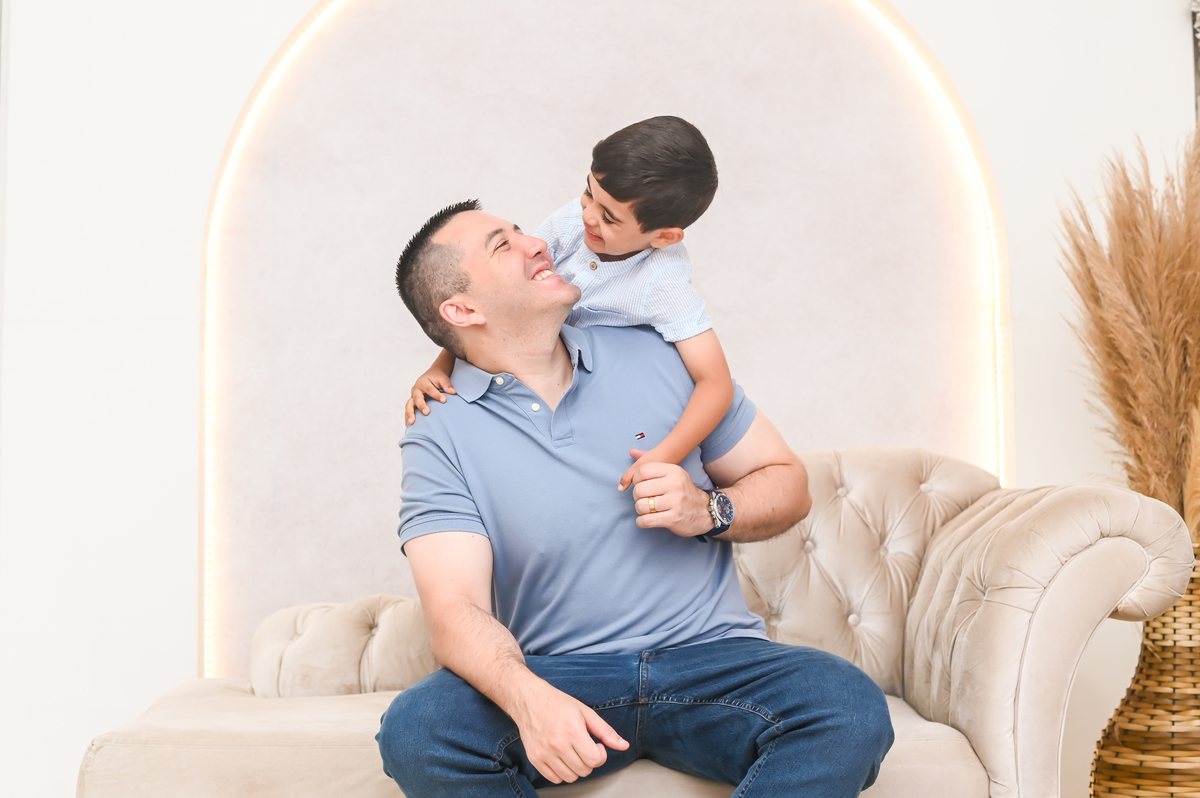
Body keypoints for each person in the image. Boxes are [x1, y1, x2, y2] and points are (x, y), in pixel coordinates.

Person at [377, 199, 894, 797]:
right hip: (562, 674)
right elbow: (454, 609)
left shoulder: (661, 353)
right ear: (462, 309)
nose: (536, 242)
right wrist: (529, 699)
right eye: (502, 245)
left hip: (716, 662)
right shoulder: (439, 430)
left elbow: (788, 484)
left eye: (519, 230)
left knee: (846, 705)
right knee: (419, 730)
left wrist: (707, 510)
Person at [405, 116, 734, 492]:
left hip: (599, 384)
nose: (588, 215)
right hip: (539, 365)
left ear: (663, 238)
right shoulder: (573, 221)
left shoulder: (663, 284)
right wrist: (441, 365)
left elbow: (716, 382)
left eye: (609, 218)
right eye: (589, 192)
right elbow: (495, 301)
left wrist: (667, 453)